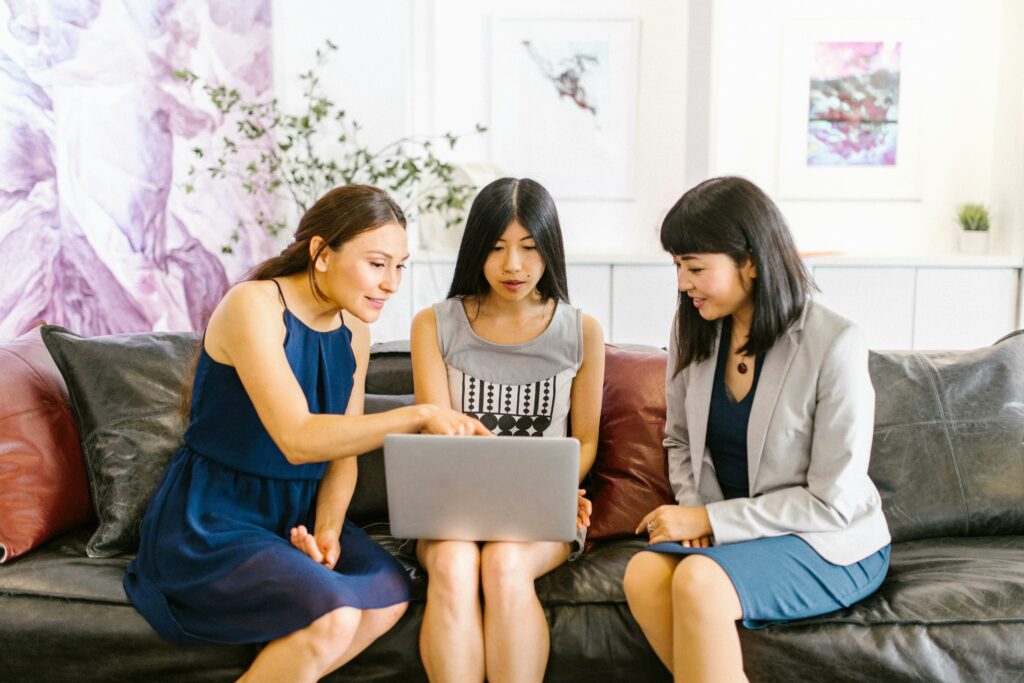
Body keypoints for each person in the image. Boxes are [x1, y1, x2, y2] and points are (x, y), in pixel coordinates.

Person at [124, 185, 489, 683]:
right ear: (321, 253)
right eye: (377, 264)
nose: (390, 284)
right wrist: (415, 415)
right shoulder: (253, 306)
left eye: (400, 266)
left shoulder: (354, 329)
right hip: (213, 517)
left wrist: (329, 533)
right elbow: (297, 438)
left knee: (388, 597)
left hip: (295, 514)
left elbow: (345, 451)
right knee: (333, 613)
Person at [622, 176, 891, 682]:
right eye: (678, 267)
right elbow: (679, 439)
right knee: (643, 575)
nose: (683, 283)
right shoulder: (692, 327)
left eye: (696, 268)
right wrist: (696, 510)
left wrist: (712, 521)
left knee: (699, 581)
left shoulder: (834, 342)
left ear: (750, 261)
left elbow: (831, 501)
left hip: (827, 538)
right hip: (735, 535)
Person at [409, 177, 605, 683]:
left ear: (550, 251)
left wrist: (556, 486)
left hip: (539, 509)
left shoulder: (581, 331)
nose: (512, 265)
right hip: (454, 505)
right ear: (476, 249)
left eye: (528, 248)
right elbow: (435, 433)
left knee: (504, 565)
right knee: (452, 567)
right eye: (496, 248)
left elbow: (585, 442)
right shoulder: (434, 324)